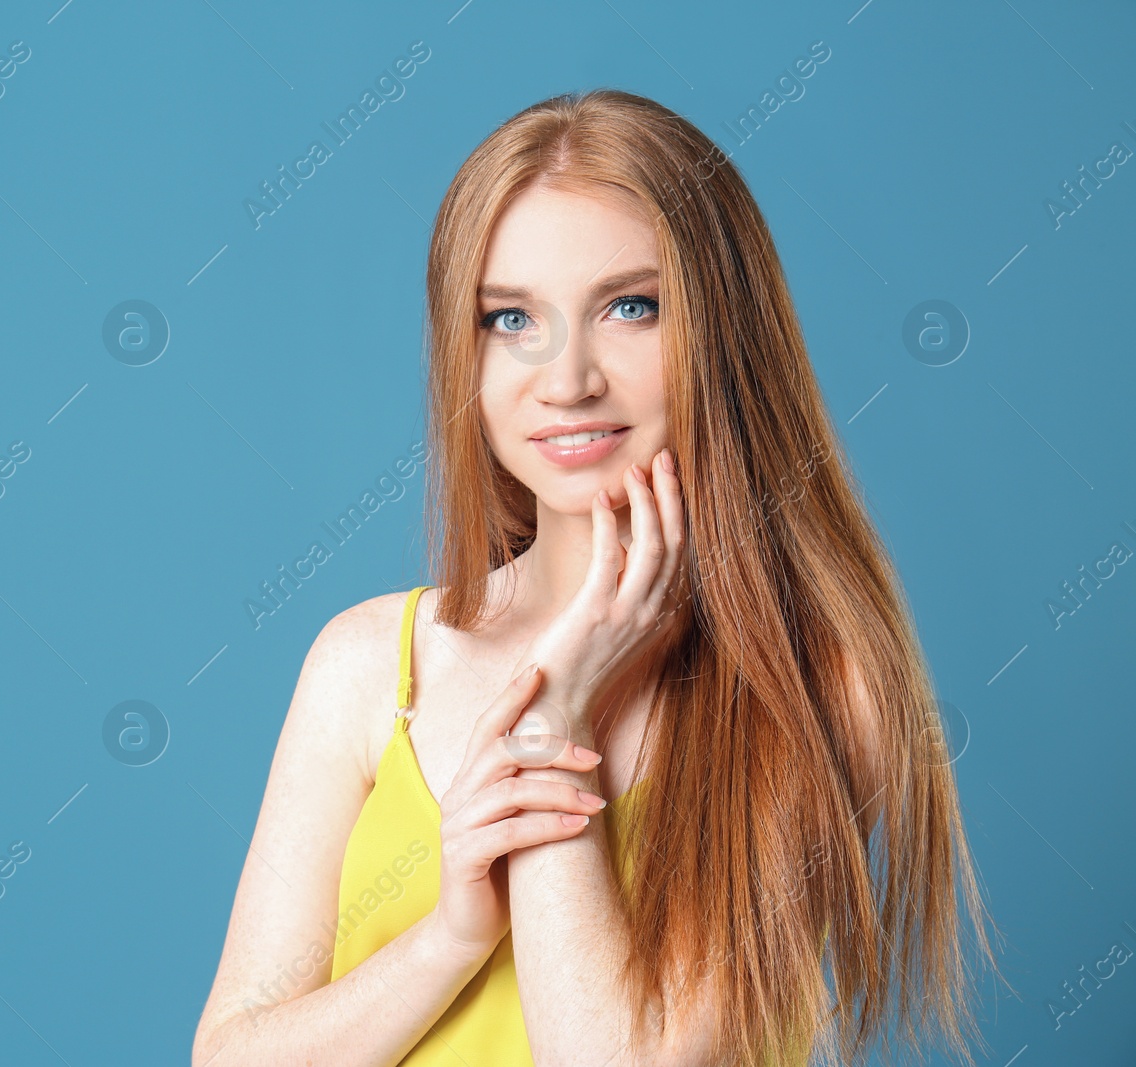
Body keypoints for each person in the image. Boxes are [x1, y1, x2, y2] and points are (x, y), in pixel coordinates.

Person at [193, 88, 996, 1066]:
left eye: (630, 306)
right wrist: (449, 936)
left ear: (723, 333)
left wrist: (554, 724)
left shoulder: (819, 686)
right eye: (509, 319)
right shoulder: (368, 664)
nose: (566, 377)